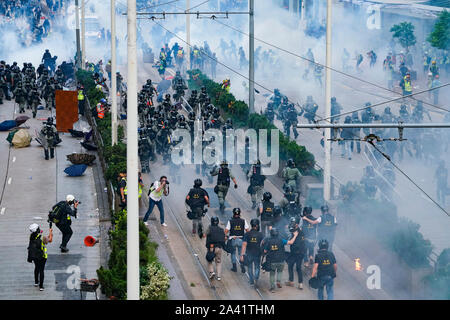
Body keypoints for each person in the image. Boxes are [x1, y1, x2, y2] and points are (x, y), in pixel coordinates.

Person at [28, 223, 53, 291]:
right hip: (42, 256)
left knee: (36, 268)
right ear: (37, 229)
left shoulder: (31, 236)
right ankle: (41, 286)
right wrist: (50, 232)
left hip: (34, 256)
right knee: (41, 270)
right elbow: (50, 240)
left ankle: (36, 282)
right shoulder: (42, 237)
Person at [225, 208, 250, 273]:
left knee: (233, 254)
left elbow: (226, 231)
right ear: (239, 213)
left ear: (233, 213)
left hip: (233, 239)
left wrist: (226, 237)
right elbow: (247, 230)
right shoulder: (243, 221)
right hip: (241, 239)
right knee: (241, 254)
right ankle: (242, 266)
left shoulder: (230, 221)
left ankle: (234, 267)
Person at [240, 218, 264, 287]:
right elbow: (263, 244)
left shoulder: (247, 234)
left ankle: (251, 280)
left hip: (249, 253)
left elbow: (244, 245)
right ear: (257, 226)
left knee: (250, 267)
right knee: (257, 267)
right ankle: (256, 278)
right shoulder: (261, 234)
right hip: (257, 254)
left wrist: (242, 254)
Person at [285, 217, 306, 290]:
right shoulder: (302, 232)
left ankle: (291, 281)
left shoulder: (294, 232)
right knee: (298, 268)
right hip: (301, 252)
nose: (292, 225)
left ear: (297, 225)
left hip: (295, 252)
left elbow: (290, 241)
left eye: (294, 224)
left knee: (290, 265)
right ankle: (300, 284)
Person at [206, 216, 226, 281]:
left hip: (211, 248)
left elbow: (205, 234)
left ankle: (211, 272)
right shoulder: (221, 230)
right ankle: (219, 276)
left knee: (209, 260)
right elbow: (224, 238)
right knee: (218, 262)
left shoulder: (209, 228)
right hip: (219, 248)